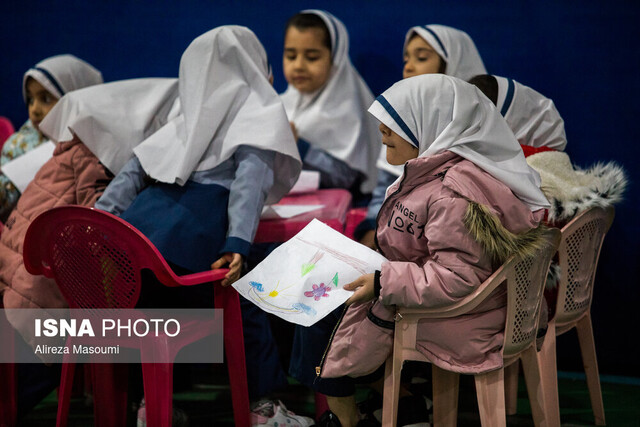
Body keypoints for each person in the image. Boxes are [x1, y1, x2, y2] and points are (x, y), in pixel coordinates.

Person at [300, 74, 550, 427]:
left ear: (431, 126)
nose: (383, 138)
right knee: (324, 304)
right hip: (456, 303)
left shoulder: (452, 193)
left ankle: (347, 419)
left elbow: (457, 276)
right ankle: (402, 406)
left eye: (393, 130)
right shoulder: (437, 171)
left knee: (321, 312)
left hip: (462, 319)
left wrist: (383, 282)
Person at [93, 26, 311, 426]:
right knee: (250, 295)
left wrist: (102, 220)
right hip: (196, 253)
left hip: (137, 253)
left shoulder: (180, 124)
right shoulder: (255, 120)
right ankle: (262, 407)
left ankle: (151, 407)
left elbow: (131, 174)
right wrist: (237, 245)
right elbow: (248, 187)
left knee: (157, 320)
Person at [356, 24, 486, 248]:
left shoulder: (476, 133)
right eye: (406, 59)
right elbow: (383, 192)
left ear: (452, 65)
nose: (409, 67)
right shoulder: (400, 123)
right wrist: (373, 230)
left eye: (422, 58)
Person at [280, 10, 380, 203]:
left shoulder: (348, 109)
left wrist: (298, 145)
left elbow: (344, 178)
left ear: (335, 59)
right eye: (291, 56)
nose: (299, 65)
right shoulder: (279, 105)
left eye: (312, 57)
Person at [0, 54, 103, 222]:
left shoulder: (93, 147)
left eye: (45, 99)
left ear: (75, 98)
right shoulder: (21, 144)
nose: (34, 109)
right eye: (31, 100)